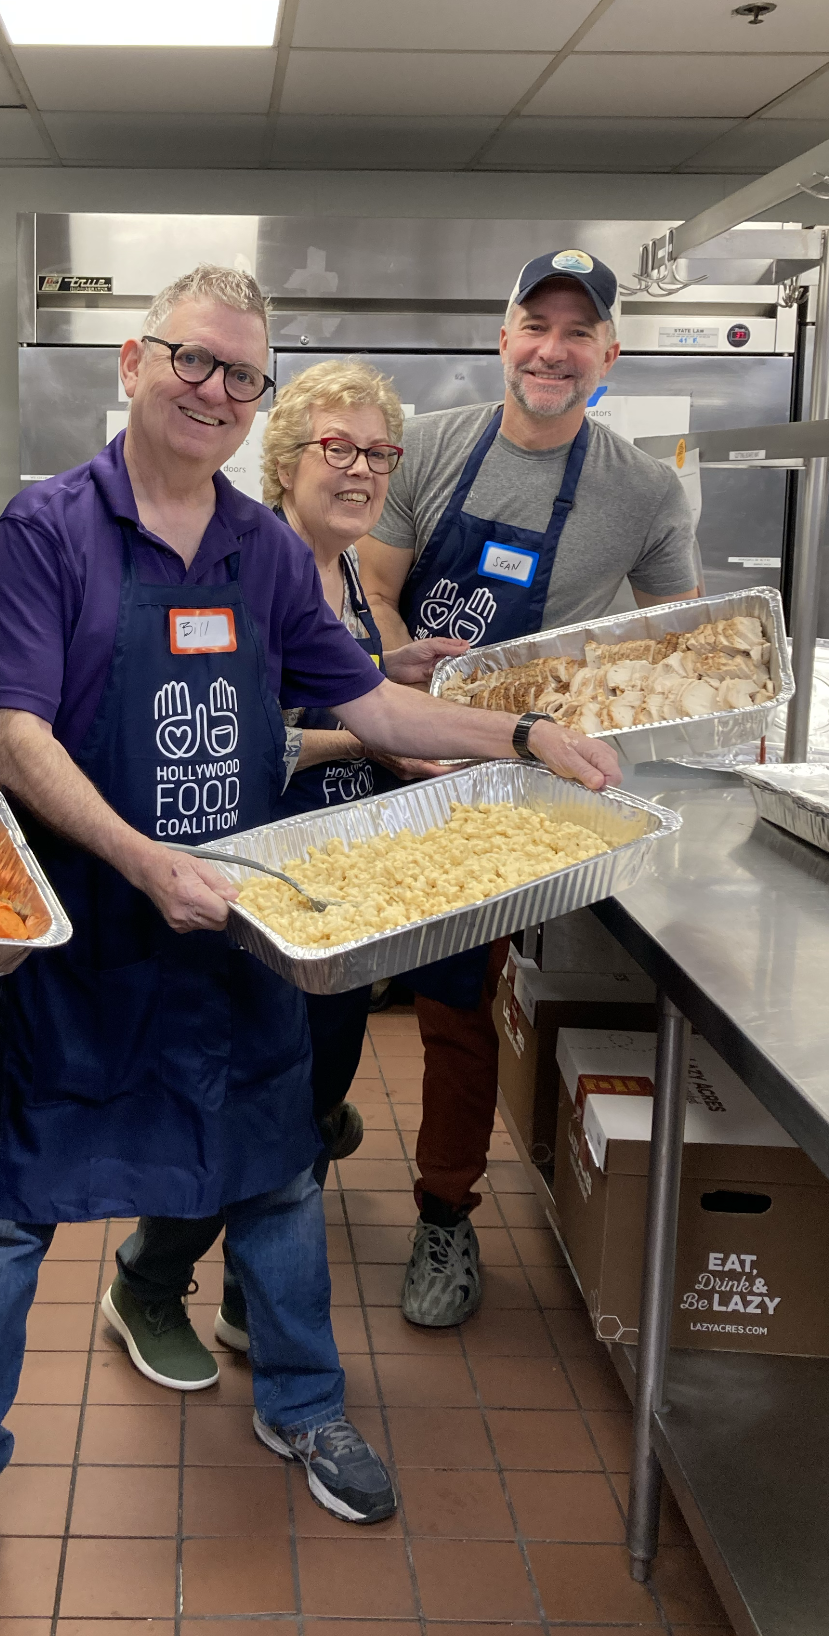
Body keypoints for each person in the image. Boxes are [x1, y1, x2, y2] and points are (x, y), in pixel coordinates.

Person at [0, 264, 621, 1620]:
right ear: (133, 361)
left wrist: (520, 737)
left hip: (240, 938)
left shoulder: (260, 549)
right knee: (3, 1220)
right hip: (95, 949)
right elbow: (18, 730)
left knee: (281, 1181)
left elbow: (373, 710)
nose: (214, 389)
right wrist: (135, 856)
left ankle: (299, 1406)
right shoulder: (49, 527)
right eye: (193, 360)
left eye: (242, 374)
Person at [103, 357, 468, 1389]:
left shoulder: (347, 567)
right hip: (260, 880)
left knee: (310, 1099)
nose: (360, 471)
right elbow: (253, 742)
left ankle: (243, 1290)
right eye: (336, 448)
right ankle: (145, 1277)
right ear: (285, 456)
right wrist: (368, 739)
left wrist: (383, 681)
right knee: (241, 1102)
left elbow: (339, 689)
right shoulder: (260, 563)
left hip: (340, 886)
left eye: (379, 453)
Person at [356, 248, 701, 1329]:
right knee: (330, 975)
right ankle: (306, 1125)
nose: (552, 349)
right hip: (392, 743)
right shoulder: (435, 445)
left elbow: (670, 646)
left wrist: (559, 729)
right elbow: (369, 586)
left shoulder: (644, 490)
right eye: (533, 325)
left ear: (609, 353)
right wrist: (414, 716)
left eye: (577, 331)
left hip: (510, 794)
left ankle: (444, 1214)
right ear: (503, 337)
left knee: (459, 1008)